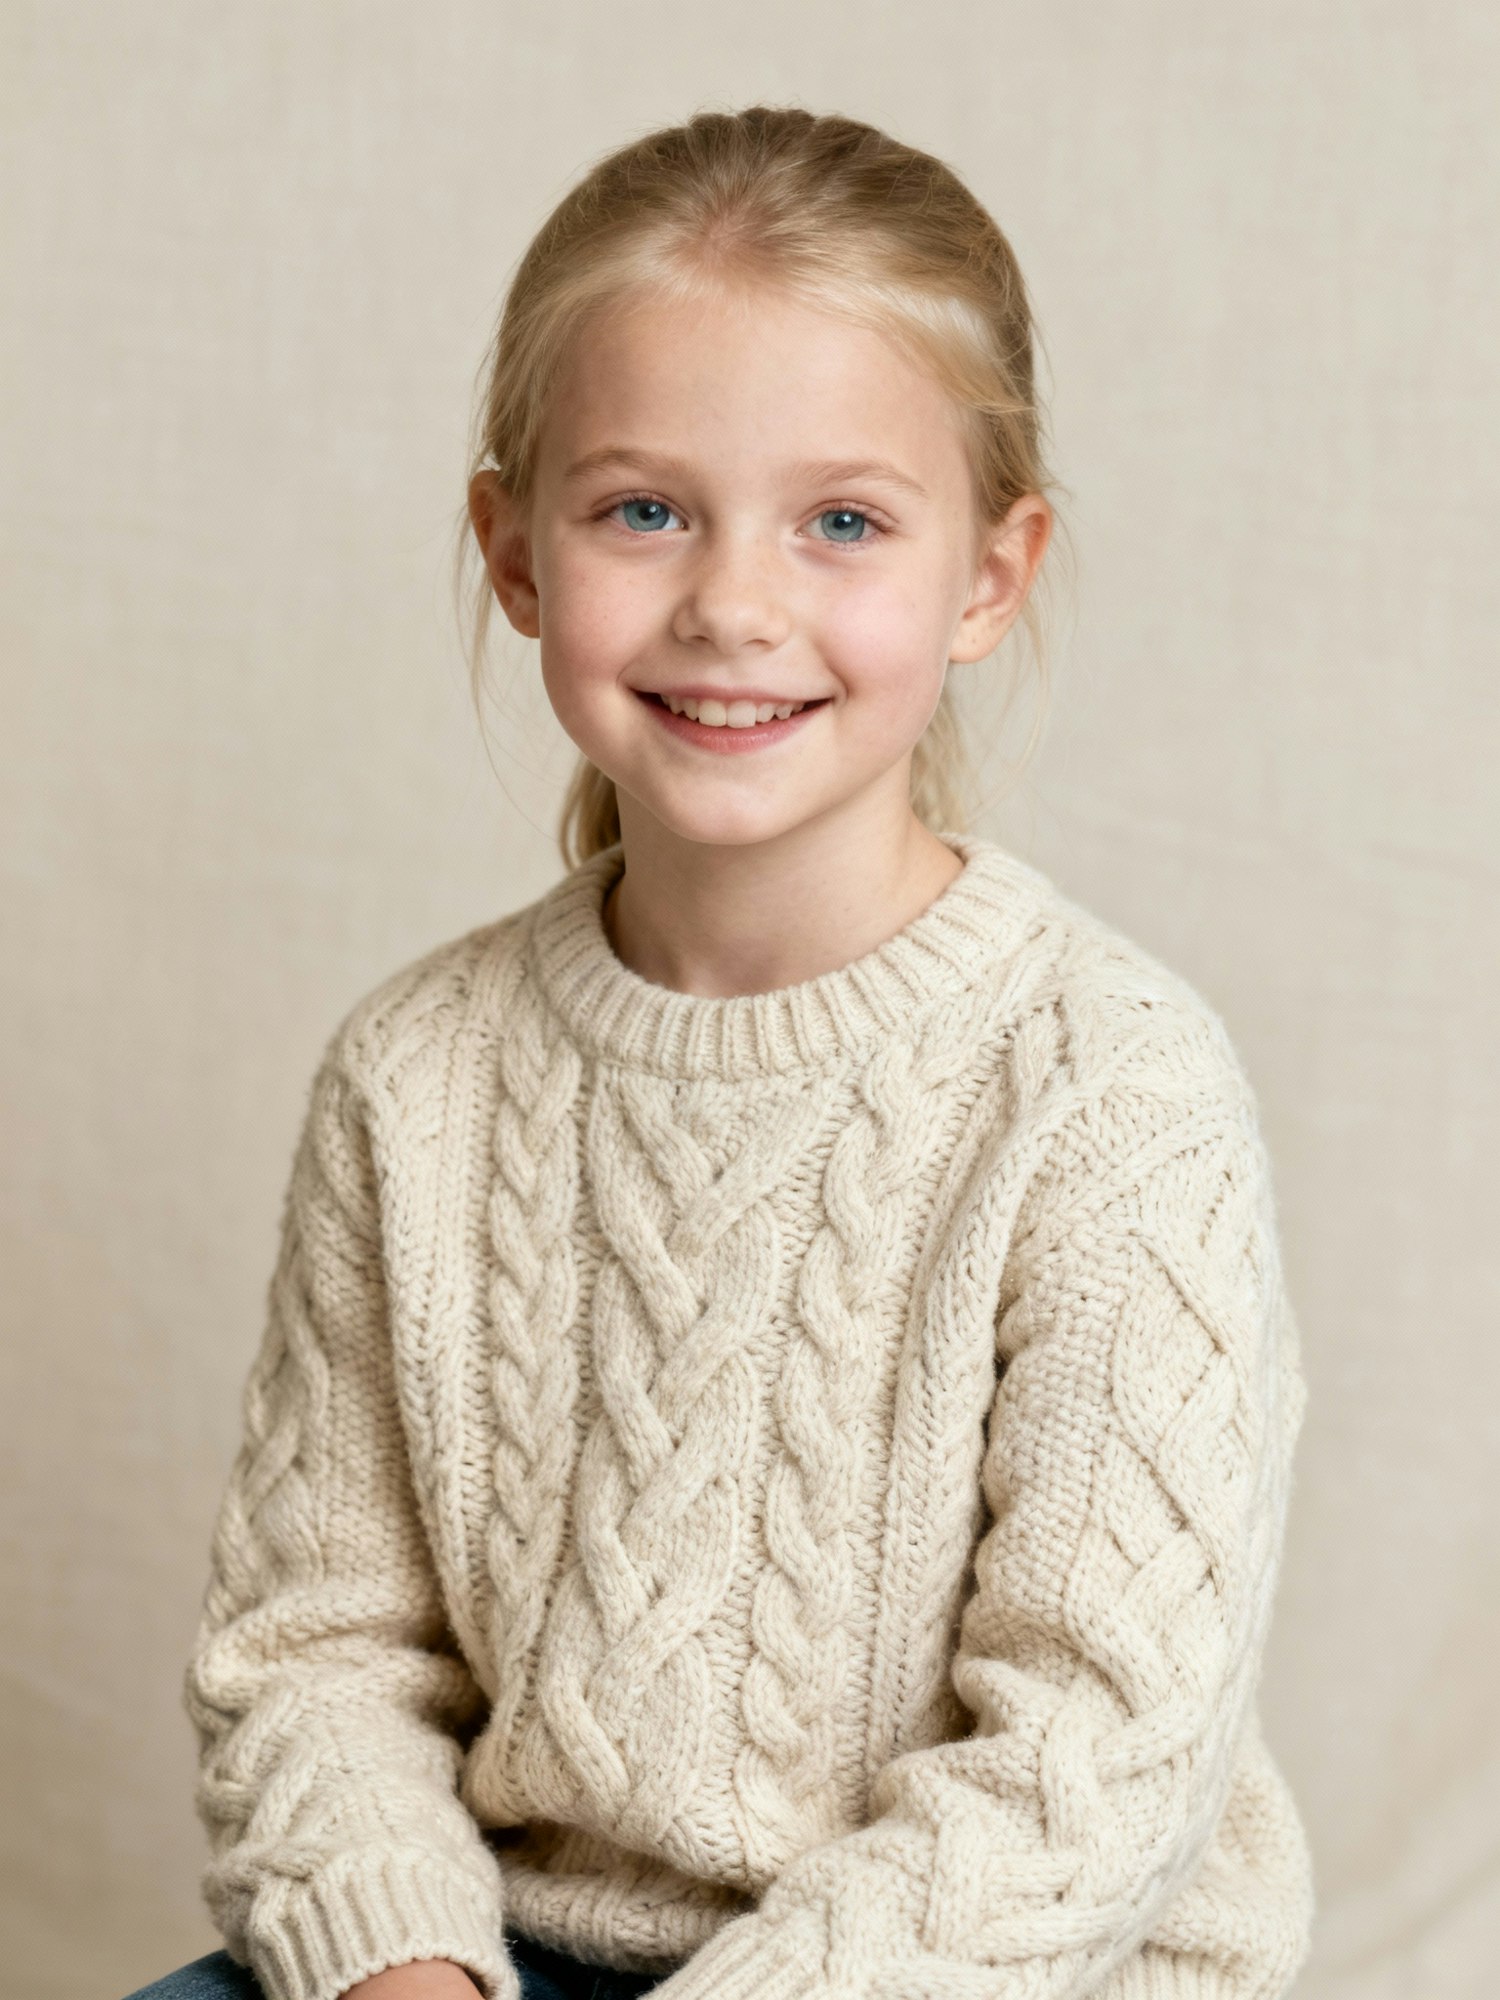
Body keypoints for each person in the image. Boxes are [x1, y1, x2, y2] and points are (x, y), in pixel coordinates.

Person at [133, 104, 1314, 2000]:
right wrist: (406, 1972)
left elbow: (1091, 1768)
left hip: (997, 1964)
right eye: (643, 510)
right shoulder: (415, 1079)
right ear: (515, 553)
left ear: (990, 574)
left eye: (843, 522)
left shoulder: (1110, 1090)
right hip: (517, 1950)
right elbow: (320, 1653)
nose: (733, 605)